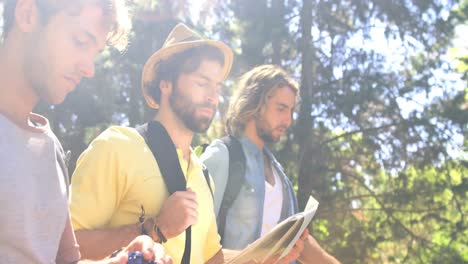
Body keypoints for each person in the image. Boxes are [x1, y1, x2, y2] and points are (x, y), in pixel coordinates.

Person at [69, 23, 306, 264]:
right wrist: (154, 229)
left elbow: (212, 260)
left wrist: (269, 259)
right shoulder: (117, 147)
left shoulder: (202, 175)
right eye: (202, 83)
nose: (213, 96)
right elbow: (63, 247)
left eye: (217, 87)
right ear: (166, 83)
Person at [0, 0, 171, 263]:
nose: (89, 69)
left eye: (95, 53)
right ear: (27, 14)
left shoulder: (49, 147)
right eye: (80, 41)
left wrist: (119, 261)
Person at [201, 64, 341, 263]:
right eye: (281, 108)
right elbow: (190, 243)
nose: (288, 119)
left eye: (291, 110)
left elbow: (300, 242)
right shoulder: (222, 156)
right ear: (254, 104)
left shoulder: (280, 176)